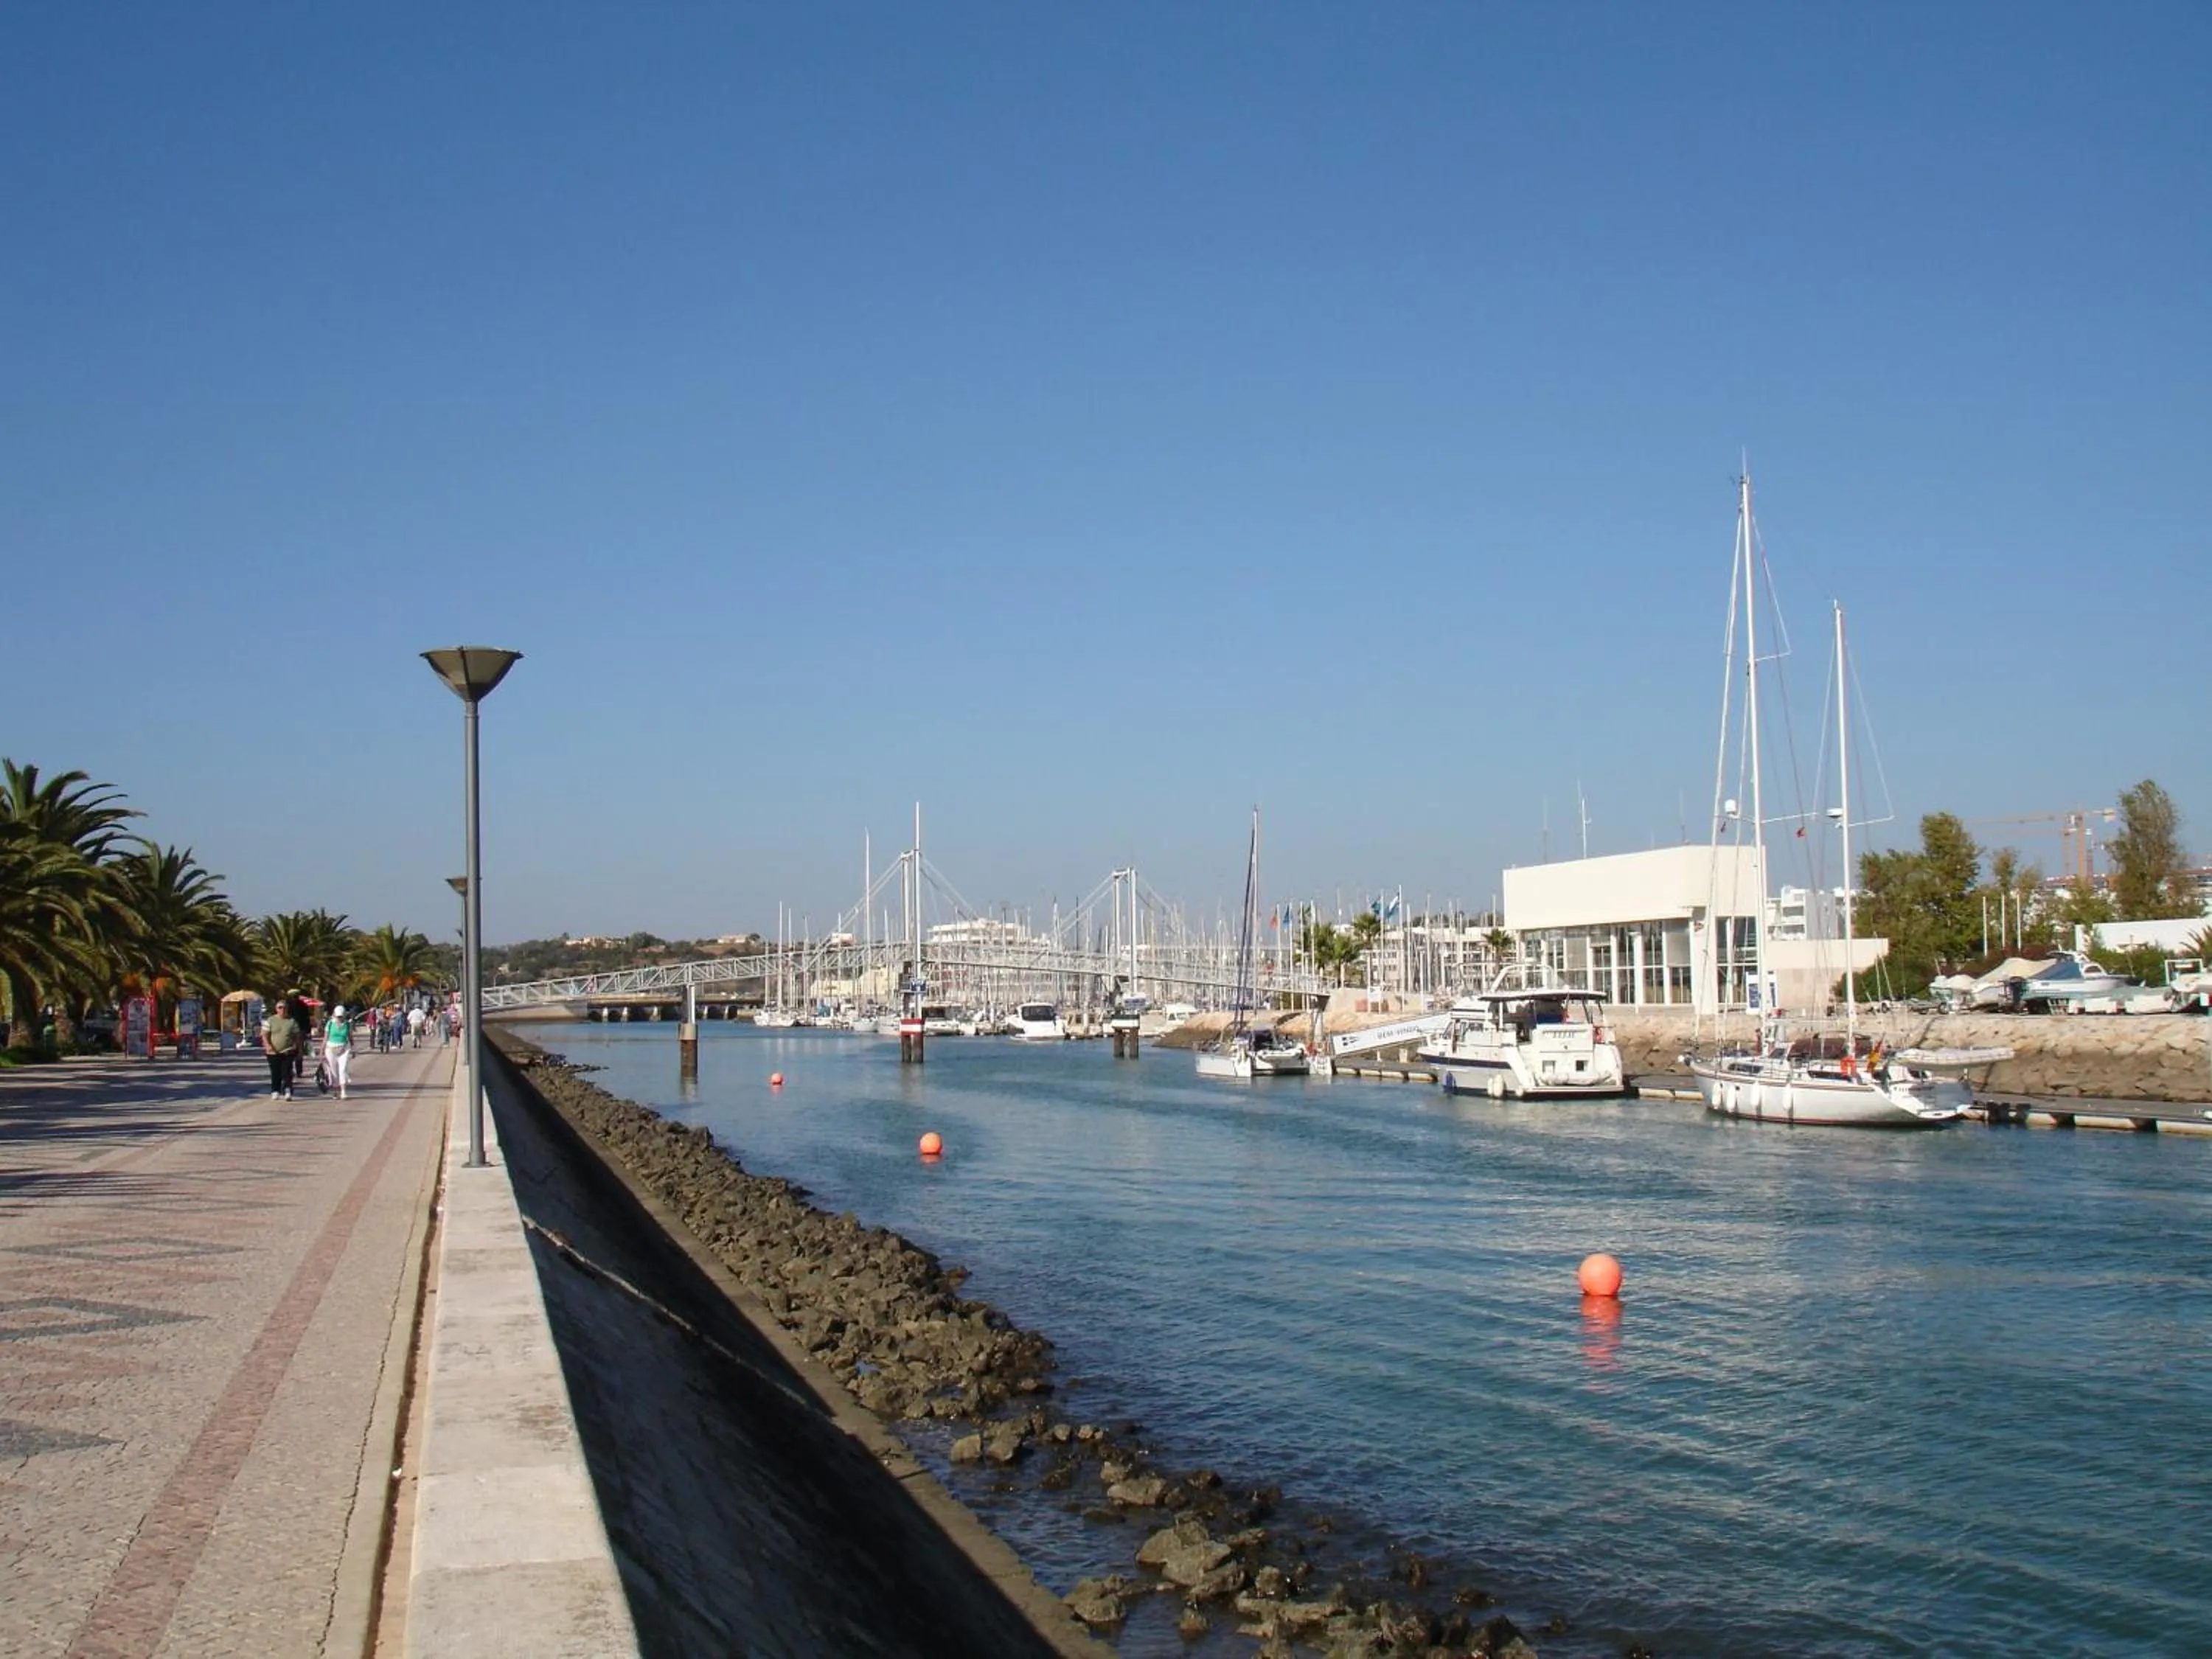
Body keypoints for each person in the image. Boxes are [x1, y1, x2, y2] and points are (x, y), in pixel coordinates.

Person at [261, 997, 300, 1099]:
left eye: (285, 1008)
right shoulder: (270, 1020)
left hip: (288, 1051)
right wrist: (268, 1045)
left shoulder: (292, 1021)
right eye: (280, 1007)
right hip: (273, 1052)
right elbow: (264, 1034)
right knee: (275, 1072)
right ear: (276, 1009)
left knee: (287, 1071)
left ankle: (288, 1090)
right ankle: (275, 1090)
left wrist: (296, 1046)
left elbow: (297, 1035)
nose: (283, 1010)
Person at [323, 1004, 356, 1100]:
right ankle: (336, 1091)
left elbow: (350, 1037)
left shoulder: (347, 1024)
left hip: (344, 1049)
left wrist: (353, 1049)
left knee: (342, 1069)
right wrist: (321, 1051)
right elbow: (326, 1038)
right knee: (334, 1072)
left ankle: (343, 1091)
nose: (340, 1018)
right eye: (338, 1016)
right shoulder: (330, 1024)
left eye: (341, 1016)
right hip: (331, 1049)